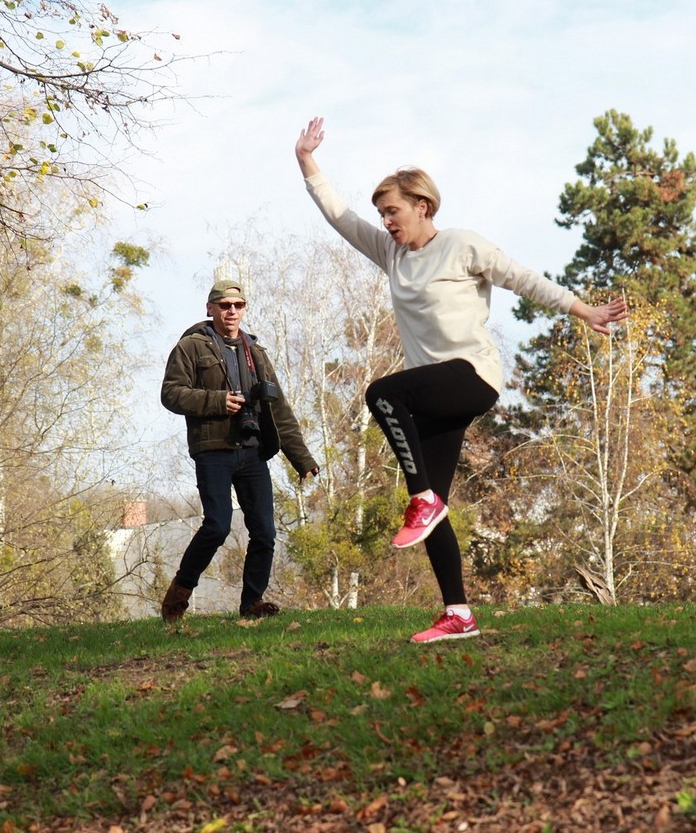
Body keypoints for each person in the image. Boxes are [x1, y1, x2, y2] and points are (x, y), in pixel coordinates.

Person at [295, 116, 629, 644]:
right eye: (382, 214)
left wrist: (581, 308)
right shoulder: (392, 254)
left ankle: (423, 498)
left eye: (393, 211)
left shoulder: (461, 245)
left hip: (471, 376)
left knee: (381, 392)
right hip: (432, 395)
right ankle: (459, 613)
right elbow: (340, 217)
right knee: (432, 510)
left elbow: (522, 278)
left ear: (421, 206)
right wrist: (308, 161)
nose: (385, 222)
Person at [160, 279, 320, 620]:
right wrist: (218, 401)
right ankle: (180, 589)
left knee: (264, 531)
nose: (231, 311)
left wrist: (302, 458)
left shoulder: (256, 353)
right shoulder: (191, 347)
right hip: (212, 449)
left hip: (252, 451)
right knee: (217, 526)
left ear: (244, 309)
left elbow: (279, 409)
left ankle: (252, 603)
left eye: (238, 306)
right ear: (210, 309)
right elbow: (171, 393)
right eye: (224, 305)